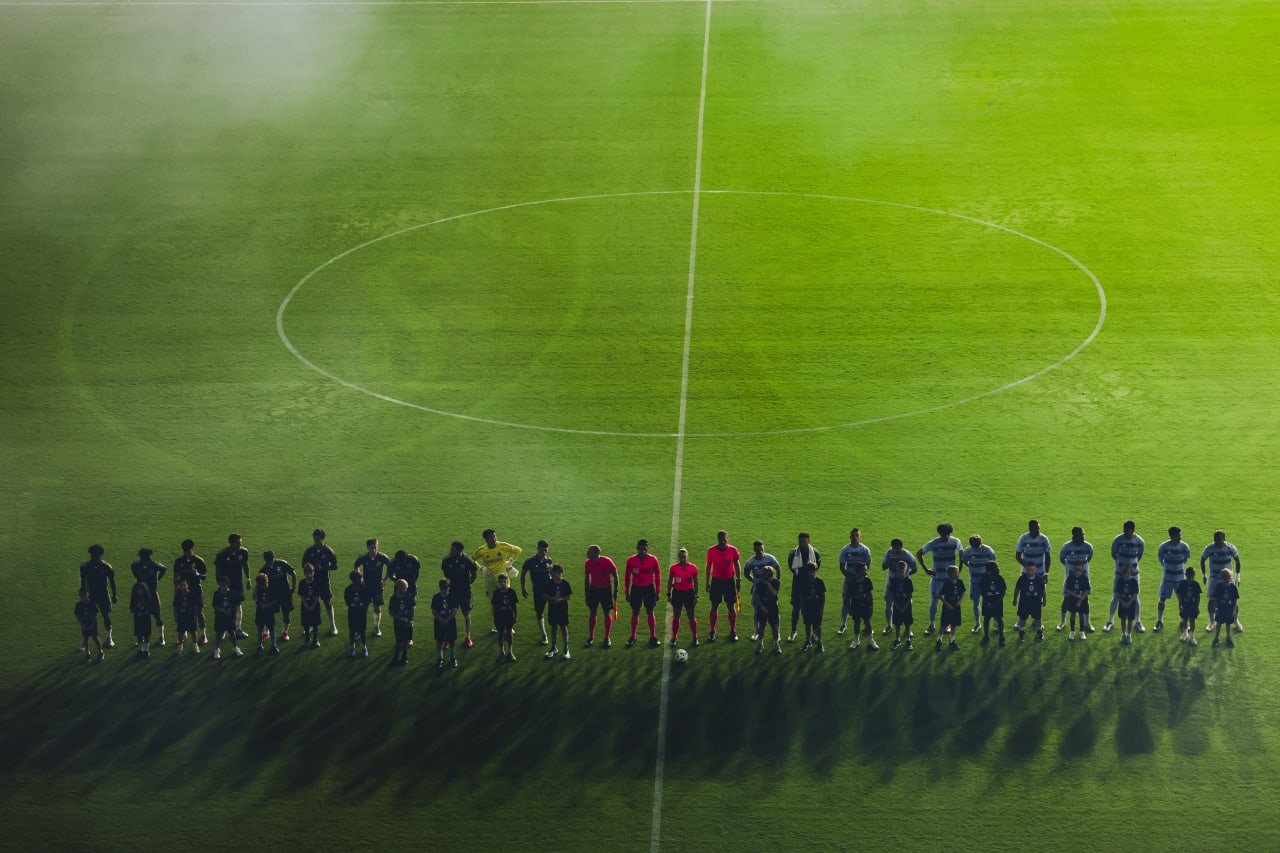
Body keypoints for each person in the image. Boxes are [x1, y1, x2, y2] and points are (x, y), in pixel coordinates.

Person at [916, 523, 963, 637]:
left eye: (947, 534)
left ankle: (946, 625)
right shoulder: (933, 543)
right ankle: (931, 624)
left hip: (949, 581)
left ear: (950, 533)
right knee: (934, 602)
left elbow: (962, 551)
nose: (945, 537)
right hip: (936, 579)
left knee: (948, 602)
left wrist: (960, 568)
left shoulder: (955, 541)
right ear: (939, 533)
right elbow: (919, 553)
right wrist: (926, 570)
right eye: (943, 534)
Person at [1106, 520, 1146, 633]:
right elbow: (1113, 554)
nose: (1126, 533)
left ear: (1133, 530)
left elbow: (1139, 555)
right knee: (1116, 595)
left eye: (1128, 531)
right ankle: (1110, 621)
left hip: (1134, 574)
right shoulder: (1118, 540)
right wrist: (1122, 566)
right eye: (1124, 530)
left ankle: (1138, 621)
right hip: (1119, 573)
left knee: (1135, 596)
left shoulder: (1139, 541)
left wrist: (1131, 568)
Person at [1201, 530, 1243, 634]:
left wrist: (1237, 576)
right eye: (1215, 539)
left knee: (1233, 598)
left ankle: (1235, 620)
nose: (1217, 541)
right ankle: (1212, 622)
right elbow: (1202, 560)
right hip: (1215, 577)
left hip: (1228, 577)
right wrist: (1204, 575)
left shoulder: (1230, 547)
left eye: (1219, 539)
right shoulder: (1209, 548)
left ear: (1224, 539)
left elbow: (1237, 560)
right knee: (1211, 599)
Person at [1014, 520, 1052, 631]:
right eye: (1035, 529)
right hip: (1026, 573)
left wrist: (1046, 573)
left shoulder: (1044, 539)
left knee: (1038, 595)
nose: (1037, 531)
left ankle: (1036, 619)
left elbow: (1048, 556)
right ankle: (1021, 619)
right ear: (1030, 529)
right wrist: (1028, 567)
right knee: (1024, 595)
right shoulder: (1023, 538)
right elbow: (1018, 556)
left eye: (1038, 528)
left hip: (1040, 573)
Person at [705, 530, 742, 642]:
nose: (722, 541)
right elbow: (708, 566)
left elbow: (737, 564)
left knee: (731, 606)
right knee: (714, 606)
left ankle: (733, 631)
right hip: (716, 581)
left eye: (724, 539)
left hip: (729, 581)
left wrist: (738, 579)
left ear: (727, 539)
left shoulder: (733, 550)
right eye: (720, 539)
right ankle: (712, 631)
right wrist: (707, 582)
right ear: (717, 539)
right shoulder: (711, 550)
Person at [624, 539, 661, 648]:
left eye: (645, 549)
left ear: (647, 548)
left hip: (649, 588)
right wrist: (627, 591)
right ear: (637, 548)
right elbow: (627, 576)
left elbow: (658, 575)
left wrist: (658, 590)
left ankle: (653, 636)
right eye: (641, 549)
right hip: (636, 588)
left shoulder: (653, 559)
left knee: (650, 611)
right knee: (635, 612)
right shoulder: (631, 560)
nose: (643, 551)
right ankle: (633, 636)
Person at [303, 529, 340, 636]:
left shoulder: (328, 551)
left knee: (327, 603)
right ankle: (311, 625)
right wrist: (311, 569)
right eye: (314, 538)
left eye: (317, 538)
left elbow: (335, 566)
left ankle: (333, 625)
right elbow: (303, 563)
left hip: (324, 581)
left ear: (322, 538)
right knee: (311, 603)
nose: (315, 540)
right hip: (312, 581)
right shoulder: (309, 550)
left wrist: (323, 568)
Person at [441, 541, 479, 649]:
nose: (451, 551)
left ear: (460, 551)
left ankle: (467, 637)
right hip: (451, 592)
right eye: (451, 549)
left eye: (453, 550)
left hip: (464, 591)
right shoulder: (446, 560)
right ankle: (448, 638)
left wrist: (467, 584)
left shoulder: (467, 560)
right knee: (449, 614)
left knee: (466, 613)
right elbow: (446, 576)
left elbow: (474, 574)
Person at [79, 544, 118, 649]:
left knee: (105, 614)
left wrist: (114, 594)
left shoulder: (106, 567)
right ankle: (85, 640)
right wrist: (84, 595)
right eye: (93, 555)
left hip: (103, 594)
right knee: (88, 617)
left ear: (100, 555)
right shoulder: (85, 567)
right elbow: (83, 582)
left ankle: (109, 637)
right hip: (91, 595)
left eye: (96, 555)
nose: (94, 557)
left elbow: (112, 582)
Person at [1057, 527, 1095, 633]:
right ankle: (1062, 622)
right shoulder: (1067, 546)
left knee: (1085, 599)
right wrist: (1070, 569)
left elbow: (1089, 557)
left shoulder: (1088, 546)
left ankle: (1087, 623)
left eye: (1083, 535)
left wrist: (1081, 569)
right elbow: (1062, 558)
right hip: (1070, 576)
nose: (1082, 537)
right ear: (1074, 536)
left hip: (1084, 576)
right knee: (1066, 598)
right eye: (1080, 535)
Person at [742, 540, 781, 641]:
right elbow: (746, 574)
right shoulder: (750, 562)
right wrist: (754, 581)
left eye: (761, 549)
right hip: (759, 587)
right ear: (754, 549)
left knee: (775, 609)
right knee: (757, 609)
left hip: (770, 585)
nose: (760, 552)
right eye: (758, 550)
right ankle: (757, 632)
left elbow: (778, 568)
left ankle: (777, 632)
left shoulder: (770, 558)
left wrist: (776, 581)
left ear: (763, 548)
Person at [214, 534, 251, 639]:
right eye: (238, 543)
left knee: (238, 605)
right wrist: (219, 584)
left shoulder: (243, 552)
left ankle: (238, 628)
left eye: (241, 543)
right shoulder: (222, 554)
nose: (240, 545)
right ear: (231, 543)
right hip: (225, 584)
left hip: (238, 583)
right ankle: (224, 629)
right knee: (225, 605)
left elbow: (245, 565)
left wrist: (248, 579)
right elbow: (218, 571)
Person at [1155, 526, 1192, 633]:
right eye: (1178, 535)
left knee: (1182, 599)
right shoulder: (1164, 547)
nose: (1180, 537)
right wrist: (1166, 567)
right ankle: (1159, 621)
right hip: (1167, 578)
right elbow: (1160, 558)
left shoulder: (1184, 546)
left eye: (1180, 535)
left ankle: (1183, 622)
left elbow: (1186, 558)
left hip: (1180, 578)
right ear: (1172, 536)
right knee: (1162, 599)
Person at [173, 539, 208, 646]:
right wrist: (176, 589)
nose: (187, 553)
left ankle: (203, 634)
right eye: (185, 551)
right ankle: (184, 634)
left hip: (196, 590)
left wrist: (198, 574)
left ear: (192, 549)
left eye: (188, 551)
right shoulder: (179, 561)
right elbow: (175, 576)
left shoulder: (199, 561)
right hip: (183, 590)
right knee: (182, 612)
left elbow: (204, 576)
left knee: (199, 612)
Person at [473, 529, 523, 603]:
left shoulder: (502, 546)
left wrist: (510, 562)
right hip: (489, 577)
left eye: (494, 536)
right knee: (492, 598)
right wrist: (481, 569)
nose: (493, 539)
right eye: (490, 537)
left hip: (502, 576)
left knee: (506, 596)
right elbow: (472, 559)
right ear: (486, 539)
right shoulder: (481, 550)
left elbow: (518, 550)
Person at [583, 545, 619, 649]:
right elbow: (587, 578)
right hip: (594, 590)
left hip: (605, 590)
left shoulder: (607, 561)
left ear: (595, 552)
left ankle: (607, 637)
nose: (587, 553)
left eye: (589, 551)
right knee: (592, 612)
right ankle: (591, 637)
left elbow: (615, 575)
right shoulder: (588, 563)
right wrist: (587, 593)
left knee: (607, 613)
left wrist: (616, 590)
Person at [520, 539, 555, 645]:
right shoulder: (530, 561)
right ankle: (544, 634)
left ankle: (553, 630)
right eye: (542, 550)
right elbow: (523, 574)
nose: (543, 552)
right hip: (538, 591)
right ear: (537, 549)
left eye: (545, 550)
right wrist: (523, 588)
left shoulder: (549, 560)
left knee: (554, 610)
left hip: (550, 590)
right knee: (539, 612)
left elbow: (552, 573)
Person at [838, 528, 872, 636]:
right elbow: (842, 567)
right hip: (849, 580)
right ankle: (844, 624)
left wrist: (861, 577)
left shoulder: (865, 550)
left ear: (860, 537)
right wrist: (851, 578)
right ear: (850, 537)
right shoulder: (845, 550)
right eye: (853, 535)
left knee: (864, 601)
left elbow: (868, 566)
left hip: (862, 581)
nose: (855, 538)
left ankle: (866, 625)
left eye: (857, 535)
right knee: (846, 601)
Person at [787, 533, 821, 641]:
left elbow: (817, 566)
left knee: (812, 608)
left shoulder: (815, 553)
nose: (802, 544)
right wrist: (807, 568)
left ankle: (814, 631)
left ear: (809, 542)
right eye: (800, 542)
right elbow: (793, 570)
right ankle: (793, 631)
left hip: (811, 584)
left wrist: (815, 566)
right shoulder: (793, 554)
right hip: (798, 584)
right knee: (796, 608)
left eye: (804, 542)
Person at [959, 535, 996, 632]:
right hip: (974, 581)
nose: (975, 549)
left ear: (981, 543)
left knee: (990, 601)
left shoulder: (988, 550)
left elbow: (993, 562)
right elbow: (964, 561)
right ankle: (978, 623)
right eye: (973, 546)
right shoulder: (968, 551)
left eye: (977, 546)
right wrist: (972, 567)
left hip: (986, 581)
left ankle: (995, 622)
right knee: (976, 602)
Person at [880, 539, 917, 635]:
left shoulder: (907, 555)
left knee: (907, 605)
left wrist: (905, 576)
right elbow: (883, 567)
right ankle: (889, 625)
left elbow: (915, 569)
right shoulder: (889, 553)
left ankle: (908, 629)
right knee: (888, 604)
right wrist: (890, 560)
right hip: (891, 583)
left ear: (902, 546)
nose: (895, 550)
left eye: (897, 548)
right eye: (893, 548)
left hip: (904, 585)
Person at [354, 538, 390, 639]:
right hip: (366, 586)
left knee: (377, 607)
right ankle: (360, 629)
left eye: (375, 547)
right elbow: (356, 566)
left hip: (378, 586)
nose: (373, 550)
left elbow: (390, 567)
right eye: (371, 548)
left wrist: (385, 579)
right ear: (367, 548)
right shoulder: (364, 558)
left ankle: (376, 627)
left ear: (377, 547)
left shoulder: (383, 557)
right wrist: (361, 578)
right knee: (363, 607)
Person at [131, 548, 167, 646]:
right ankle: (141, 638)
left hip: (152, 593)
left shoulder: (154, 565)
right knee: (140, 616)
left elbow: (164, 569)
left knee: (157, 615)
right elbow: (135, 573)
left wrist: (157, 579)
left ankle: (161, 636)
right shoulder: (136, 565)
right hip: (141, 594)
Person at [261, 551, 297, 642]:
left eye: (271, 560)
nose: (270, 563)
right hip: (272, 595)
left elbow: (293, 573)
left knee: (286, 613)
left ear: (274, 557)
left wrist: (293, 587)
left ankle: (285, 632)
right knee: (269, 614)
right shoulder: (264, 569)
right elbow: (261, 583)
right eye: (268, 561)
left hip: (285, 593)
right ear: (265, 560)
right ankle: (266, 633)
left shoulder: (282, 563)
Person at [667, 548, 700, 647]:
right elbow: (670, 581)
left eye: (684, 557)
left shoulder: (693, 568)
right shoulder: (673, 568)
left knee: (691, 615)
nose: (682, 559)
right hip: (677, 593)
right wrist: (669, 594)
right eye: (681, 557)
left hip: (689, 593)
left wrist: (696, 595)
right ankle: (674, 637)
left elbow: (696, 583)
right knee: (676, 615)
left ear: (687, 557)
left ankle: (695, 637)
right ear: (678, 557)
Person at [543, 564, 572, 660]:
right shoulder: (549, 583)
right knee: (553, 627)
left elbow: (568, 596)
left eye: (558, 573)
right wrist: (553, 598)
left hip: (562, 609)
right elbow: (544, 596)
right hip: (553, 609)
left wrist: (561, 599)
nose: (557, 575)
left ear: (561, 573)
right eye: (555, 573)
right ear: (552, 573)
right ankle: (553, 648)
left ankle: (566, 649)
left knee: (563, 627)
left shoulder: (565, 583)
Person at [845, 564, 878, 651]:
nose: (866, 572)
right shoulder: (852, 582)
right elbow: (848, 596)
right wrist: (849, 608)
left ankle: (871, 640)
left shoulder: (867, 581)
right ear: (858, 571)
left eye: (866, 570)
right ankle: (856, 640)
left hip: (866, 605)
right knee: (856, 622)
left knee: (867, 622)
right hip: (856, 605)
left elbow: (870, 595)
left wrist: (871, 606)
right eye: (864, 570)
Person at [752, 566, 782, 655]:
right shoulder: (760, 584)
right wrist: (762, 607)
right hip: (763, 607)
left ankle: (776, 644)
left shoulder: (776, 582)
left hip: (772, 607)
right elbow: (757, 597)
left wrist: (768, 585)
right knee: (761, 626)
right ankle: (760, 644)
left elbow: (774, 593)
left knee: (774, 626)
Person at [1012, 563, 1046, 642]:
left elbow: (1043, 591)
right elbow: (1017, 589)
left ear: (1035, 570)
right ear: (1025, 570)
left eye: (1032, 570)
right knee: (1023, 619)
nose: (1030, 572)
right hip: (1024, 604)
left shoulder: (1039, 579)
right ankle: (1021, 635)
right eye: (1028, 570)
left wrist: (1044, 600)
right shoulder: (1022, 579)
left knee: (1038, 619)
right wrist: (1015, 599)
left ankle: (1040, 633)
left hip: (1036, 604)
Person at [210, 576, 241, 659]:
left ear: (228, 584)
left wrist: (232, 611)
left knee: (232, 633)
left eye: (224, 585)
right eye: (221, 585)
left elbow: (236, 605)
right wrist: (223, 610)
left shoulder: (232, 593)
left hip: (230, 617)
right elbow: (214, 606)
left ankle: (235, 648)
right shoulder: (217, 594)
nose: (222, 587)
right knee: (219, 634)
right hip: (220, 617)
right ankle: (216, 649)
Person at [491, 573, 519, 662]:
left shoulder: (512, 592)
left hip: (509, 615)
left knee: (509, 632)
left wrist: (516, 616)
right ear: (499, 583)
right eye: (501, 582)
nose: (503, 583)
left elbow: (515, 605)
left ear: (507, 582)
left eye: (504, 581)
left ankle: (510, 651)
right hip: (500, 616)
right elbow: (494, 607)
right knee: (500, 633)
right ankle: (502, 651)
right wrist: (494, 618)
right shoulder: (496, 593)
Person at [936, 565, 965, 651]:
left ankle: (952, 641)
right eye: (956, 572)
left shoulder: (960, 582)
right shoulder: (947, 583)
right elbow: (940, 595)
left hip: (956, 607)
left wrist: (960, 601)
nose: (958, 574)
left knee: (954, 625)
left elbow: (963, 592)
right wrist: (947, 604)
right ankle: (939, 641)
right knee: (944, 625)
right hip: (947, 608)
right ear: (951, 574)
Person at [431, 578, 459, 669]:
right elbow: (434, 610)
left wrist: (447, 619)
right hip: (439, 622)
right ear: (440, 587)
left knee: (452, 640)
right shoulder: (436, 597)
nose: (444, 590)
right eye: (442, 588)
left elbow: (455, 610)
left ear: (449, 587)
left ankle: (453, 658)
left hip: (450, 622)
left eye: (445, 588)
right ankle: (440, 658)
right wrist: (440, 619)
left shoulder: (453, 597)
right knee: (439, 640)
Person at [344, 570, 371, 659]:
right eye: (359, 579)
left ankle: (364, 647)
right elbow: (347, 599)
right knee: (352, 631)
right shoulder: (348, 589)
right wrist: (352, 604)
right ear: (354, 580)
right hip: (352, 613)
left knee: (362, 631)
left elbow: (368, 599)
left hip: (361, 613)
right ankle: (352, 648)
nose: (360, 580)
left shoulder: (364, 588)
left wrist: (363, 606)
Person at [980, 562, 1007, 647]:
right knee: (986, 619)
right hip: (987, 603)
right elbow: (982, 591)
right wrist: (987, 602)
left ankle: (1002, 637)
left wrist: (996, 602)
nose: (998, 569)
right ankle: (986, 636)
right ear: (991, 570)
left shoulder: (1000, 578)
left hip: (997, 603)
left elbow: (1003, 592)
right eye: (996, 568)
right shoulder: (984, 579)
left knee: (999, 619)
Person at [388, 578, 415, 667]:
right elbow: (391, 612)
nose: (404, 590)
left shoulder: (409, 597)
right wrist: (400, 619)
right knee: (398, 641)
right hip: (398, 623)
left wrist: (410, 620)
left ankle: (404, 656)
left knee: (406, 640)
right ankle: (396, 657)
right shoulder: (393, 598)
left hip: (407, 623)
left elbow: (412, 610)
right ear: (398, 588)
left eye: (405, 588)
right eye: (403, 588)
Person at [1210, 569, 1240, 649]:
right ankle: (1216, 638)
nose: (1227, 579)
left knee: (1228, 624)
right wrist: (1216, 607)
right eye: (1225, 577)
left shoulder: (1233, 587)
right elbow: (1215, 598)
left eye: (1228, 577)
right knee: (1219, 623)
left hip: (1229, 609)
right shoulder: (1219, 586)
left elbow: (1235, 600)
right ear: (1222, 578)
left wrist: (1234, 610)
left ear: (1230, 577)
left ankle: (1228, 638)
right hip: (1220, 609)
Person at [799, 564, 825, 653]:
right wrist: (802, 609)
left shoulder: (820, 582)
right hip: (807, 608)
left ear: (816, 572)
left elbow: (823, 597)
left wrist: (822, 609)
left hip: (817, 608)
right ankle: (807, 641)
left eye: (813, 572)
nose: (811, 574)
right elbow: (801, 597)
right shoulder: (803, 583)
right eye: (810, 572)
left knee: (818, 625)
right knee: (807, 625)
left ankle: (819, 643)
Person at [1062, 563, 1091, 641]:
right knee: (1072, 614)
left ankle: (1081, 631)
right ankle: (1072, 631)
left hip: (1082, 600)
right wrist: (1075, 595)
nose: (1078, 571)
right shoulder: (1070, 578)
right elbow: (1067, 589)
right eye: (1076, 569)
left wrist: (1080, 600)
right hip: (1072, 600)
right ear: (1073, 569)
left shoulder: (1084, 578)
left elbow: (1087, 590)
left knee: (1081, 615)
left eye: (1079, 570)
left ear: (1082, 570)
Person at [889, 561, 914, 651]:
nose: (900, 573)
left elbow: (910, 595)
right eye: (899, 571)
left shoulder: (908, 581)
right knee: (897, 624)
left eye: (902, 571)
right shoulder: (894, 581)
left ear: (906, 571)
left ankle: (907, 640)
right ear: (897, 570)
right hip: (897, 606)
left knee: (907, 624)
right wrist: (898, 606)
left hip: (906, 606)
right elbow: (892, 594)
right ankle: (897, 640)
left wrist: (905, 607)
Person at [297, 564, 323, 649]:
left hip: (315, 606)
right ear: (304, 572)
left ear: (313, 572)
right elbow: (301, 596)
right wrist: (306, 605)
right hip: (305, 607)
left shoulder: (317, 583)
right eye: (306, 572)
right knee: (306, 623)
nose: (308, 574)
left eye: (310, 571)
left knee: (315, 624)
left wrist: (312, 606)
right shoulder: (302, 583)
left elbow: (317, 596)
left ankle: (315, 639)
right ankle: (307, 639)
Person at [252, 573, 279, 655]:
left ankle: (273, 646)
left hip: (269, 612)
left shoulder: (271, 588)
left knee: (271, 628)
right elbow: (254, 598)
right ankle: (260, 646)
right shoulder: (258, 588)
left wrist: (267, 605)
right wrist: (255, 589)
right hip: (260, 612)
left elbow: (276, 600)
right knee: (260, 629)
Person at [173, 578, 201, 655]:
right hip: (181, 616)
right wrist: (175, 616)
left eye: (184, 585)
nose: (183, 587)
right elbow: (175, 606)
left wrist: (195, 616)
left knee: (193, 631)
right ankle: (180, 646)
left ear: (187, 585)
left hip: (190, 616)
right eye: (181, 585)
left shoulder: (192, 594)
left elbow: (195, 606)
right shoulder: (178, 595)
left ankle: (195, 645)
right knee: (180, 632)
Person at [75, 587, 104, 662]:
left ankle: (100, 652)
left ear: (88, 594)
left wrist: (92, 624)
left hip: (92, 624)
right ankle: (87, 653)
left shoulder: (92, 604)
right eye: (82, 595)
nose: (83, 597)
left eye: (85, 595)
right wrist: (81, 624)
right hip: (84, 624)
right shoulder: (78, 605)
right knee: (85, 639)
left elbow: (95, 615)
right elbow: (77, 616)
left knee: (95, 637)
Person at [1175, 567, 1201, 645]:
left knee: (1192, 621)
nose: (1190, 576)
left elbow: (1198, 596)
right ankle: (1185, 633)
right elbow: (1180, 597)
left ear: (1194, 575)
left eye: (1192, 574)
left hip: (1193, 606)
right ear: (1186, 574)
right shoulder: (1182, 584)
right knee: (1185, 620)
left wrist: (1197, 606)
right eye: (1189, 574)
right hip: (1185, 605)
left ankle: (1192, 637)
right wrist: (1180, 606)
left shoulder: (1196, 584)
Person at [129, 581, 155, 658]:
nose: (140, 591)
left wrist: (145, 605)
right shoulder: (134, 599)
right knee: (139, 635)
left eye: (141, 589)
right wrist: (137, 606)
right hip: (138, 619)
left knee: (146, 635)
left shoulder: (147, 598)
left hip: (146, 619)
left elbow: (151, 608)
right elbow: (131, 609)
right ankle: (140, 650)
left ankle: (146, 650)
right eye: (138, 589)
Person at [1115, 565, 1140, 645]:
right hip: (1122, 604)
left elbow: (1135, 595)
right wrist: (1123, 602)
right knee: (1123, 619)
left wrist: (1128, 603)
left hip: (1131, 605)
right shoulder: (1120, 582)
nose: (1126, 575)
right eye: (1125, 573)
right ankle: (1123, 634)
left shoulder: (1134, 582)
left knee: (1130, 620)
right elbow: (1118, 594)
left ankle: (1129, 635)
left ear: (1131, 574)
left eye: (1128, 573)